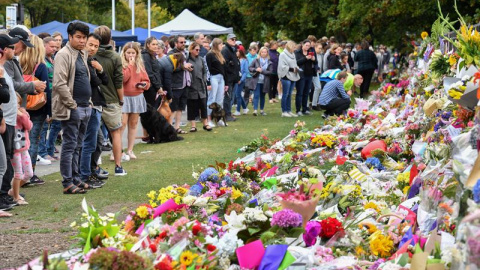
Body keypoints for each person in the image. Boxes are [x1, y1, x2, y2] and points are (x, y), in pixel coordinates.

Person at [52, 22, 93, 194]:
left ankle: (75, 178)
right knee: (69, 145)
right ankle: (67, 182)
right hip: (72, 108)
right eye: (79, 37)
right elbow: (59, 83)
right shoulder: (63, 54)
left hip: (85, 105)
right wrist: (72, 105)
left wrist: (88, 102)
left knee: (78, 145)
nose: (82, 41)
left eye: (84, 37)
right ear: (70, 37)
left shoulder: (82, 53)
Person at [94, 25, 127, 176]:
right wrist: (121, 99)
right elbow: (118, 81)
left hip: (94, 98)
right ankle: (118, 167)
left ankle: (95, 164)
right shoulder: (115, 56)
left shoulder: (90, 54)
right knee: (116, 133)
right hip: (112, 99)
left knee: (93, 133)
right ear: (110, 38)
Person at [18, 34, 53, 182]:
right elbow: (47, 90)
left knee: (20, 141)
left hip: (21, 107)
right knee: (34, 140)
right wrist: (50, 112)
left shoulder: (18, 63)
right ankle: (30, 173)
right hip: (38, 108)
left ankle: (19, 172)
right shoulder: (40, 66)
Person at [78, 33, 108, 188]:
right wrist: (98, 72)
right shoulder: (83, 61)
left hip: (96, 104)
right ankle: (85, 174)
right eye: (91, 44)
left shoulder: (92, 61)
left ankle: (91, 169)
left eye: (96, 46)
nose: (93, 48)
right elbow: (96, 81)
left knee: (98, 141)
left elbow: (105, 80)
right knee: (89, 143)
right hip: (89, 105)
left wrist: (101, 69)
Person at [120, 42, 150, 159]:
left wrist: (144, 85)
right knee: (122, 125)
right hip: (124, 97)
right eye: (128, 53)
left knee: (133, 124)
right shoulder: (122, 64)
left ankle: (130, 150)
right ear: (124, 53)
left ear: (137, 54)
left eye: (133, 53)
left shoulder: (140, 65)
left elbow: (147, 80)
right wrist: (130, 65)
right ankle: (117, 150)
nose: (131, 55)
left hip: (137, 96)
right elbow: (123, 78)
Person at [0, 35, 17, 214]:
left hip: (10, 118)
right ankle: (2, 194)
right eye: (11, 47)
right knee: (3, 161)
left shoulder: (4, 69)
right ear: (4, 49)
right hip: (5, 120)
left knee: (8, 157)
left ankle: (4, 193)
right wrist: (3, 118)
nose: (14, 50)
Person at [38, 37, 61, 162]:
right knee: (43, 125)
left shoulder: (52, 59)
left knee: (57, 124)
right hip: (45, 96)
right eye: (52, 46)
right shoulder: (41, 61)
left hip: (55, 97)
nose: (54, 49)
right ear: (44, 45)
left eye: (56, 47)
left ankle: (50, 150)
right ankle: (42, 152)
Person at [10, 93, 33, 204]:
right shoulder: (8, 115)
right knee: (18, 173)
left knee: (29, 174)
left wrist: (23, 115)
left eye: (18, 103)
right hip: (14, 149)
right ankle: (16, 197)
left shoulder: (22, 114)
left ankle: (12, 191)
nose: (17, 106)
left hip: (24, 147)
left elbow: (29, 126)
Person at [168, 35, 193, 134]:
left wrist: (189, 67)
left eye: (184, 42)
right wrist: (184, 67)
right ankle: (169, 128)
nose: (183, 44)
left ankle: (177, 127)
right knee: (173, 108)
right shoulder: (171, 54)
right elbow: (171, 68)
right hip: (176, 85)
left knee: (180, 108)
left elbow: (184, 67)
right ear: (176, 43)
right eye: (181, 42)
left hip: (185, 83)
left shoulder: (185, 53)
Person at [186, 42, 210, 132]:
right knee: (192, 105)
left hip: (201, 85)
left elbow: (205, 71)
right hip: (191, 86)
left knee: (203, 104)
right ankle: (193, 125)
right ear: (191, 49)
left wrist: (204, 80)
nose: (198, 51)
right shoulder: (187, 60)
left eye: (199, 50)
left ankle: (205, 123)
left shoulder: (201, 59)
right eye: (196, 50)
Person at [205, 38, 228, 127]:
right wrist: (208, 82)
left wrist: (226, 83)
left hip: (221, 78)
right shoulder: (209, 55)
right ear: (216, 45)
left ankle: (218, 119)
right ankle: (209, 119)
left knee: (220, 99)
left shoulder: (220, 55)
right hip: (213, 77)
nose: (222, 46)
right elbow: (208, 69)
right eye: (221, 44)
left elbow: (224, 69)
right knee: (212, 98)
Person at [277, 40, 300, 117]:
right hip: (286, 76)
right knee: (285, 94)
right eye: (294, 47)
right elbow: (282, 66)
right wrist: (292, 69)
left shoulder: (293, 54)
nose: (295, 49)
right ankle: (284, 111)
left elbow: (295, 64)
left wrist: (297, 68)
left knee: (289, 94)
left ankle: (289, 110)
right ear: (290, 47)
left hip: (293, 76)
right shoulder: (283, 54)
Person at [294, 39, 317, 116]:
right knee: (300, 92)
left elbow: (316, 62)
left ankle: (305, 109)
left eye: (309, 46)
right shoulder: (297, 52)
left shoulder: (311, 52)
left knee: (306, 93)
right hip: (301, 75)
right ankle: (298, 109)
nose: (307, 47)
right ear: (302, 45)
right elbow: (297, 62)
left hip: (309, 74)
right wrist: (306, 58)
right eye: (306, 45)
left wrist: (313, 59)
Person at [248, 46, 272, 116]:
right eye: (262, 52)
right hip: (257, 80)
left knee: (262, 96)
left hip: (265, 81)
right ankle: (255, 110)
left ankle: (262, 110)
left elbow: (270, 72)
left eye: (265, 52)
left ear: (267, 53)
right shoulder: (256, 60)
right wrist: (256, 69)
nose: (263, 53)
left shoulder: (269, 62)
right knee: (256, 95)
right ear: (260, 53)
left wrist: (262, 71)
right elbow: (250, 68)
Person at [221, 34, 240, 122]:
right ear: (228, 40)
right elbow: (225, 64)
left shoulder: (233, 49)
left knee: (231, 97)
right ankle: (226, 114)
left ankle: (228, 112)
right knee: (227, 97)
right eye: (232, 39)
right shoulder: (225, 50)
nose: (234, 41)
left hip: (234, 77)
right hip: (228, 78)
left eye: (235, 39)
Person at [141, 37, 163, 108]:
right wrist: (158, 87)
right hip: (150, 88)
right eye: (153, 44)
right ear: (148, 45)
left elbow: (156, 72)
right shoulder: (145, 55)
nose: (156, 46)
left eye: (157, 44)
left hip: (153, 87)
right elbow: (149, 73)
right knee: (150, 111)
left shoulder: (152, 55)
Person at [233, 49, 249, 116]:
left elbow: (245, 72)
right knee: (238, 94)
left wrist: (241, 80)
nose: (236, 53)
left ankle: (238, 110)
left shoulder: (245, 61)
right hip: (236, 79)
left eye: (237, 52)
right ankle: (245, 108)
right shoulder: (236, 60)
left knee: (238, 95)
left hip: (241, 80)